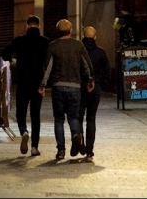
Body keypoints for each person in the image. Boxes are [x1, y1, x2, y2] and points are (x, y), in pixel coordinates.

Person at [39, 19, 94, 160]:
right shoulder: (78, 45)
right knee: (73, 117)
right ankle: (75, 134)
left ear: (58, 31)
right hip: (75, 87)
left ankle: (61, 150)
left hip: (58, 87)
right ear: (71, 30)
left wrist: (43, 85)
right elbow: (87, 65)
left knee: (58, 120)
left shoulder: (53, 46)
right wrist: (90, 80)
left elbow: (47, 68)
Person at [2, 15, 51, 156]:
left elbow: (4, 54)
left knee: (20, 112)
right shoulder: (45, 42)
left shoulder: (19, 40)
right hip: (38, 83)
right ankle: (35, 147)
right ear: (39, 26)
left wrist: (14, 60)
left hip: (23, 81)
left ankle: (23, 131)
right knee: (36, 115)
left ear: (27, 25)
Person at [79, 26, 110, 163]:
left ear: (82, 36)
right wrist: (100, 84)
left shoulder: (78, 51)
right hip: (95, 89)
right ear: (95, 37)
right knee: (91, 119)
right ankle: (89, 151)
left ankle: (80, 144)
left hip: (79, 89)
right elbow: (107, 72)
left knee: (78, 117)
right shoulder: (101, 53)